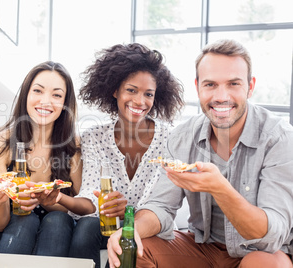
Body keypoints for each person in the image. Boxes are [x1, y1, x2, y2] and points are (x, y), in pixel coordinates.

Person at [107, 39, 293, 268]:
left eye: (233, 84)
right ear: (198, 87)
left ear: (250, 86)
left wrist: (219, 187)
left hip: (259, 252)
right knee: (135, 250)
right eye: (211, 85)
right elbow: (161, 206)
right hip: (203, 249)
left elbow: (272, 234)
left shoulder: (279, 137)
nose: (221, 96)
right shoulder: (183, 136)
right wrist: (131, 231)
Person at [68, 43, 184, 268]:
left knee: (133, 239)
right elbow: (90, 196)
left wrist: (129, 210)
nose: (140, 101)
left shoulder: (170, 140)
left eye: (148, 94)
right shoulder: (94, 137)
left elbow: (162, 204)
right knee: (85, 229)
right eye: (131, 90)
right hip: (104, 225)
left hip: (150, 227)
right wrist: (102, 205)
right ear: (115, 90)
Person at [0, 61, 87, 257]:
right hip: (13, 225)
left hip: (59, 226)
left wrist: (47, 200)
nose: (46, 101)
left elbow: (82, 208)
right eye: (38, 91)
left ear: (65, 104)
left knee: (57, 220)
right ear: (26, 95)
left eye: (56, 95)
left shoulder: (75, 147)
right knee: (25, 218)